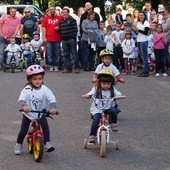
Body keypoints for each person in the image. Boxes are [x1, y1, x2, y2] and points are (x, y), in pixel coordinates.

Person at [14, 64, 59, 155]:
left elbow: (51, 98)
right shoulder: (27, 89)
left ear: (42, 78)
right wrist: (24, 106)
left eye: (40, 78)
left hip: (40, 113)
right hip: (29, 114)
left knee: (45, 126)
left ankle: (47, 143)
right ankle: (18, 144)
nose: (37, 81)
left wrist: (53, 107)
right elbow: (22, 98)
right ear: (30, 80)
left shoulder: (45, 89)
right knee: (23, 131)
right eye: (34, 79)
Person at [82, 69, 122, 143]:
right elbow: (91, 93)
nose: (106, 85)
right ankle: (92, 135)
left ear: (111, 83)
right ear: (100, 83)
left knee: (114, 111)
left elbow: (118, 93)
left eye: (108, 84)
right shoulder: (96, 89)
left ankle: (113, 123)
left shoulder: (112, 89)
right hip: (97, 108)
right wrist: (88, 95)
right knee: (96, 120)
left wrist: (119, 96)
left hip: (107, 107)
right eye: (103, 83)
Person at [42, 6, 63, 72]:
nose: (52, 11)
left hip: (57, 38)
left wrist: (59, 27)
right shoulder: (46, 18)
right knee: (49, 53)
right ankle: (51, 65)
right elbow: (43, 28)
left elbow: (63, 24)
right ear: (49, 11)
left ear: (55, 10)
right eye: (50, 10)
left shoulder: (60, 18)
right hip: (49, 39)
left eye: (53, 9)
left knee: (57, 53)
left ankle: (56, 65)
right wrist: (43, 37)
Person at [59, 8, 80, 73]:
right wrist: (61, 38)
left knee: (74, 54)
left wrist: (73, 38)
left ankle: (77, 67)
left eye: (66, 12)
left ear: (68, 13)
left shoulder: (73, 20)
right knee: (66, 55)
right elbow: (60, 30)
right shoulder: (61, 21)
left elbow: (75, 30)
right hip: (64, 40)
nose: (64, 13)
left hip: (71, 40)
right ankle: (68, 68)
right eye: (63, 12)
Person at [134, 11, 150, 77]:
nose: (141, 16)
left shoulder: (146, 23)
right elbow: (138, 33)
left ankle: (146, 71)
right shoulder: (138, 23)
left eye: (142, 15)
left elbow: (146, 32)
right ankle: (145, 70)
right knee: (141, 56)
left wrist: (138, 30)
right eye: (140, 15)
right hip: (139, 40)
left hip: (144, 41)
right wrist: (136, 31)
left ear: (144, 16)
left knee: (144, 56)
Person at [162, 6, 170, 74]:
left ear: (167, 11)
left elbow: (164, 28)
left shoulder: (168, 19)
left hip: (166, 38)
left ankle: (168, 68)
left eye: (164, 10)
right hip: (166, 37)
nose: (163, 11)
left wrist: (163, 21)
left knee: (166, 54)